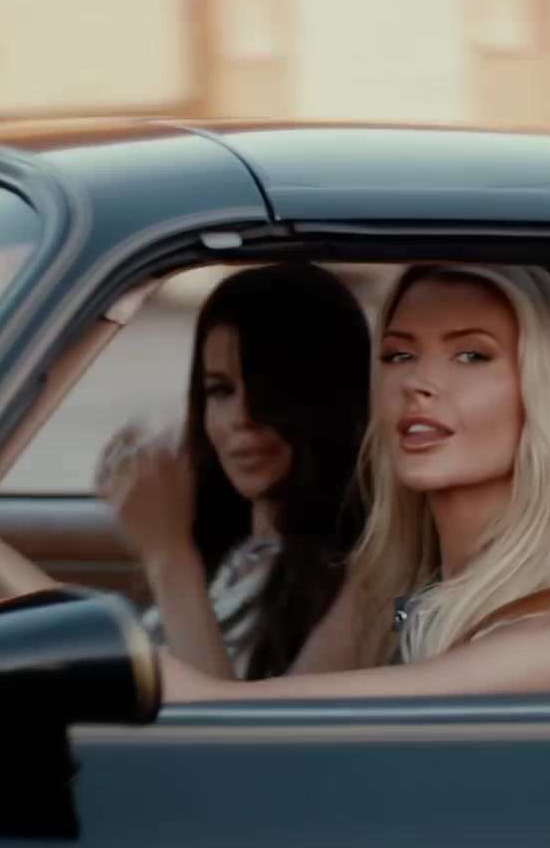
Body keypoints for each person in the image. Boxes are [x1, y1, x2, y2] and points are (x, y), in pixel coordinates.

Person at [158, 264, 550, 702]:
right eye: (398, 355)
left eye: (471, 355)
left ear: (544, 394)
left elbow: (233, 719)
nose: (417, 382)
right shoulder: (411, 598)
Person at [97, 263, 371, 679]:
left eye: (268, 390)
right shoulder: (234, 555)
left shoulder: (367, 578)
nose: (241, 417)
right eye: (220, 390)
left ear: (331, 398)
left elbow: (228, 721)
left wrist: (168, 555)